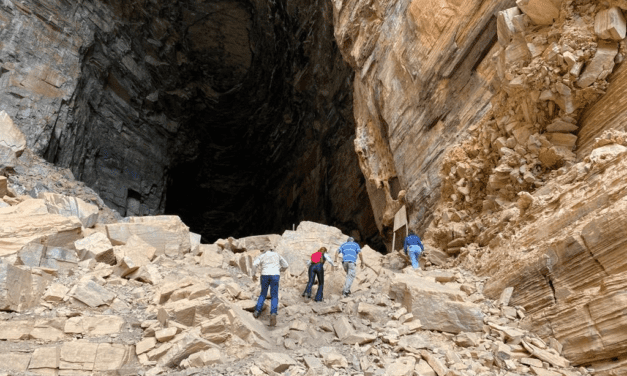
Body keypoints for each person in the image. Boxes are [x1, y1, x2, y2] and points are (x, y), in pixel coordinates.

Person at [252, 248, 289, 326]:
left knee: (263, 294)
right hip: (275, 275)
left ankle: (257, 311)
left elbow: (254, 264)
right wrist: (280, 270)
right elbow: (286, 265)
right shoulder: (277, 255)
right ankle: (273, 313)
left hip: (265, 274)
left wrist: (253, 274)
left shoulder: (262, 255)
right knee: (274, 295)